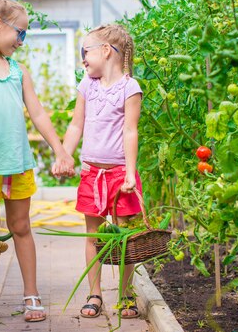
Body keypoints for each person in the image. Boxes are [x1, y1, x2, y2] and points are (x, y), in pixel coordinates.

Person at [0, 0, 74, 323]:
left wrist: (60, 149)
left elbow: (37, 112)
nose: (22, 41)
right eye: (19, 33)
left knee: (21, 227)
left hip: (17, 163)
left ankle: (31, 294)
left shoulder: (18, 72)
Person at [58, 24, 143, 319]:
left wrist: (130, 173)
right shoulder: (87, 86)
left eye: (86, 52)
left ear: (106, 51)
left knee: (123, 237)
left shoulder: (130, 88)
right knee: (92, 235)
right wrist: (64, 154)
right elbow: (75, 125)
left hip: (119, 174)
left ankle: (126, 294)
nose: (83, 60)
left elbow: (130, 131)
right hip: (92, 173)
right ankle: (95, 293)